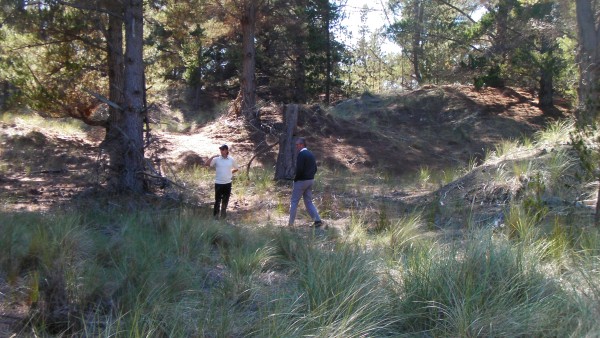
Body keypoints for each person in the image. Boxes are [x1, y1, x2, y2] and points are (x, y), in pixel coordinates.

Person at [288, 137, 323, 227]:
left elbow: (299, 169)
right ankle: (317, 220)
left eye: (297, 145)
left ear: (302, 145)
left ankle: (290, 224)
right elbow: (315, 168)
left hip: (301, 181)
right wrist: (310, 176)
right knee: (308, 201)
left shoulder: (301, 154)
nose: (296, 147)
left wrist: (296, 179)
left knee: (294, 202)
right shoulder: (310, 154)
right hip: (310, 180)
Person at [206, 144, 239, 220]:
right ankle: (215, 217)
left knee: (225, 200)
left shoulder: (231, 159)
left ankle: (223, 217)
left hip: (227, 183)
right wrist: (213, 156)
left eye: (223, 149)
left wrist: (230, 172)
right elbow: (206, 164)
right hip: (218, 183)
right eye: (221, 149)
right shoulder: (217, 159)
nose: (221, 151)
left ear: (227, 150)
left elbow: (236, 168)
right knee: (217, 200)